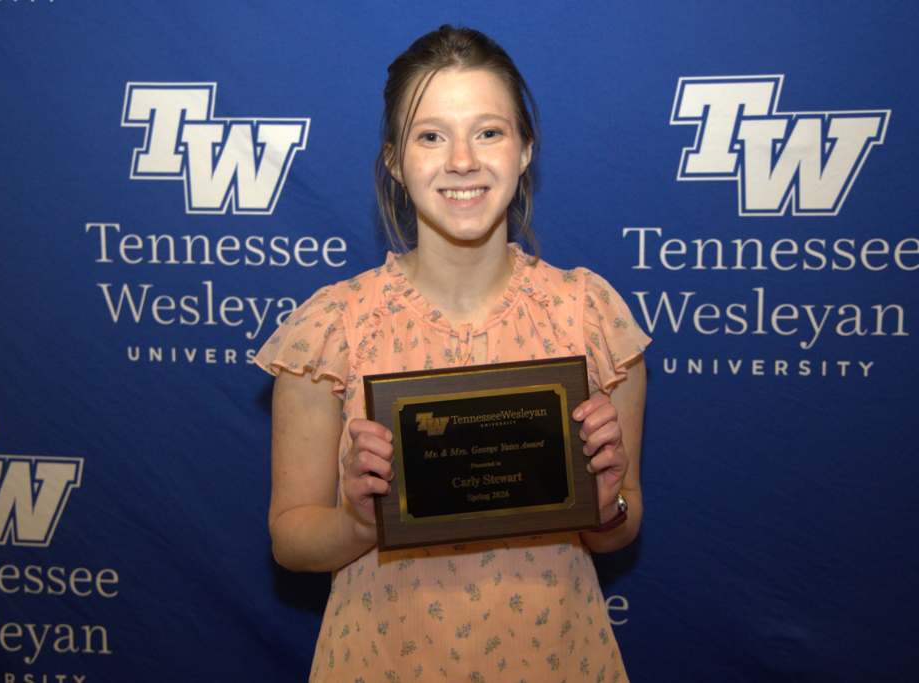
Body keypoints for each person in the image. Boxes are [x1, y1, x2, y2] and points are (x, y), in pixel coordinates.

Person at [255, 25, 649, 682]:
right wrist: (357, 518)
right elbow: (290, 539)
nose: (462, 159)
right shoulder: (330, 326)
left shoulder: (591, 314)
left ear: (526, 150)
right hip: (381, 659)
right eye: (430, 134)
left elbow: (619, 524)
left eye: (489, 131)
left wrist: (608, 500)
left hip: (556, 657)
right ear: (393, 159)